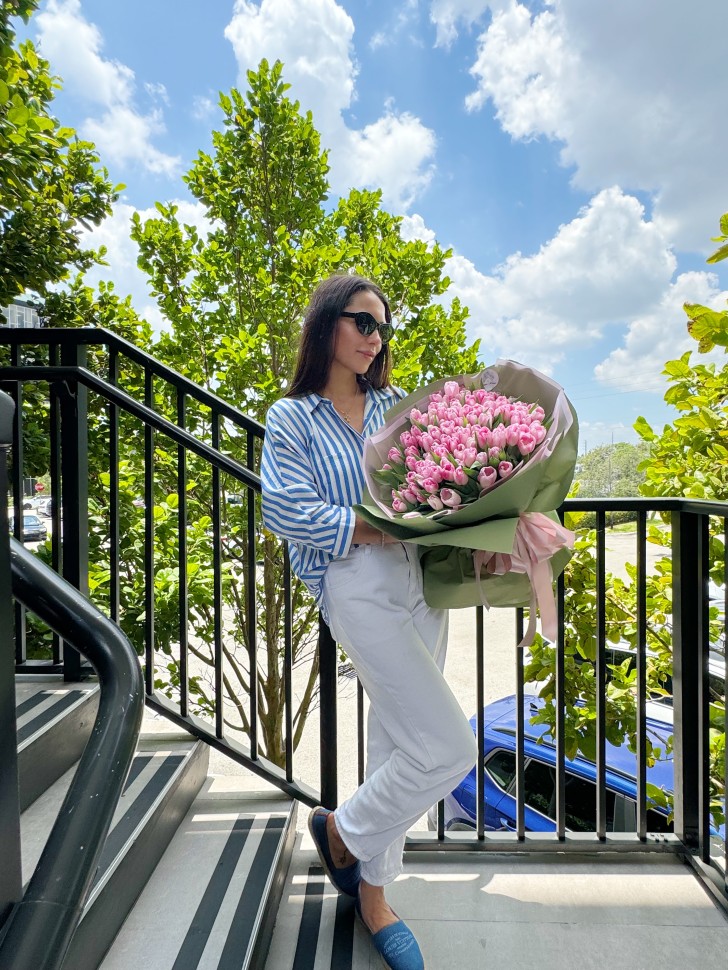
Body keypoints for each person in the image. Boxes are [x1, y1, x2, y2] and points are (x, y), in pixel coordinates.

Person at [260, 274, 477, 970]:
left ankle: (375, 897)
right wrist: (374, 530)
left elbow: (437, 487)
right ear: (327, 323)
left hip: (423, 579)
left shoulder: (398, 408)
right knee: (448, 745)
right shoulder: (292, 417)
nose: (375, 338)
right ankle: (342, 835)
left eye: (382, 328)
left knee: (400, 738)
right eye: (363, 321)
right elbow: (287, 511)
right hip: (352, 578)